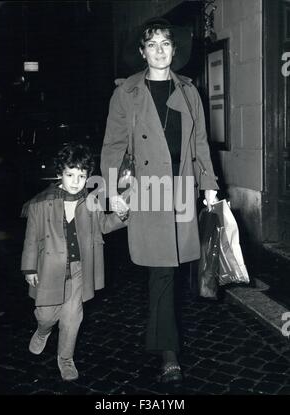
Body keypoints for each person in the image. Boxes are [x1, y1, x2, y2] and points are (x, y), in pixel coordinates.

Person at [100, 17, 219, 383]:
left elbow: (200, 144)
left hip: (181, 190)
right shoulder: (127, 93)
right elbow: (114, 146)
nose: (159, 50)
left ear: (174, 50)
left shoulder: (189, 91)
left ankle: (160, 340)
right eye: (152, 44)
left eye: (165, 43)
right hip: (147, 191)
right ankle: (170, 354)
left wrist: (209, 185)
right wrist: (111, 193)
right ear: (142, 52)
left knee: (170, 272)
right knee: (161, 271)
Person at [21, 143, 128, 381]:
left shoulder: (91, 202)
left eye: (82, 176)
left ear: (88, 177)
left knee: (72, 315)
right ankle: (42, 330)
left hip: (79, 268)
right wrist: (29, 268)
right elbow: (31, 239)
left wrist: (122, 215)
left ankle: (66, 359)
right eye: (70, 174)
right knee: (46, 314)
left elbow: (104, 226)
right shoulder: (41, 203)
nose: (75, 181)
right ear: (60, 173)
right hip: (49, 268)